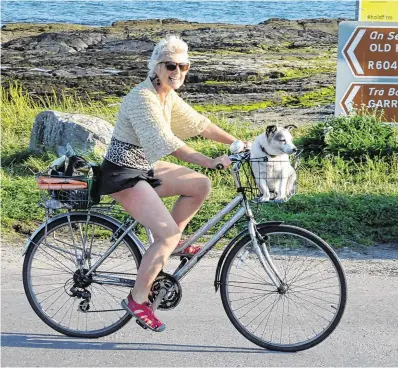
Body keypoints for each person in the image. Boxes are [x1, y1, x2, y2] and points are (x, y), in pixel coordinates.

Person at [99, 35, 241, 332]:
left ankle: (173, 246)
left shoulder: (167, 95)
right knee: (166, 234)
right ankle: (138, 299)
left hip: (144, 165)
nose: (178, 72)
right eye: (171, 65)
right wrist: (210, 161)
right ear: (156, 67)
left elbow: (201, 125)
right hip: (123, 173)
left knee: (199, 185)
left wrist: (238, 143)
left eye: (184, 66)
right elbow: (167, 143)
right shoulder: (142, 98)